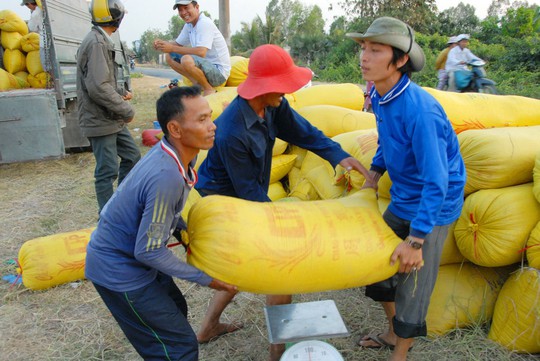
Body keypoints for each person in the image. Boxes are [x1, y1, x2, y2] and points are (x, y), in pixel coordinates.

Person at [195, 44, 373, 361]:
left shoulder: (273, 105)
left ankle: (208, 328)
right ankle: (277, 352)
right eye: (284, 84)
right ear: (264, 87)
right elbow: (249, 194)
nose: (290, 90)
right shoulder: (232, 132)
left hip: (247, 188)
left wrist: (339, 155)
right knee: (282, 265)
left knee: (238, 270)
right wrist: (281, 229)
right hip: (224, 198)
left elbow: (304, 132)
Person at [85, 85, 238, 361]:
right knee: (179, 348)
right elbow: (148, 250)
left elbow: (157, 212)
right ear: (175, 129)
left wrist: (183, 228)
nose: (212, 126)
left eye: (210, 117)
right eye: (202, 120)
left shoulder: (174, 155)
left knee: (176, 307)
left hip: (134, 258)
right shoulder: (166, 175)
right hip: (120, 270)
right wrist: (209, 280)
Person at [346, 17, 466, 361]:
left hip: (435, 204)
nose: (364, 57)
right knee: (379, 262)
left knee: (413, 284)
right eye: (364, 49)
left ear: (399, 61)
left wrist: (416, 240)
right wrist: (376, 169)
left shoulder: (420, 110)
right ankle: (391, 330)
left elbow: (437, 181)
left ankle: (400, 353)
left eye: (376, 50)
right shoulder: (380, 95)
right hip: (405, 196)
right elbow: (387, 138)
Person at [77, 0, 141, 213]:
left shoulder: (101, 40)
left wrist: (121, 94)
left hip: (110, 117)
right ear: (117, 19)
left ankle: (120, 204)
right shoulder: (96, 43)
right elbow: (97, 87)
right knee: (107, 171)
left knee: (132, 156)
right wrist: (126, 110)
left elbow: (101, 80)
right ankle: (108, 218)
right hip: (100, 119)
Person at [153, 0, 231, 96]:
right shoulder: (189, 25)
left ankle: (208, 89)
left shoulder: (204, 23)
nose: (183, 12)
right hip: (206, 67)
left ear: (197, 7)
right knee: (169, 56)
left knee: (186, 59)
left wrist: (172, 48)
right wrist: (162, 44)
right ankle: (198, 84)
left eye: (186, 8)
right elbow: (177, 44)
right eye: (180, 10)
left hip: (219, 74)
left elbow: (201, 52)